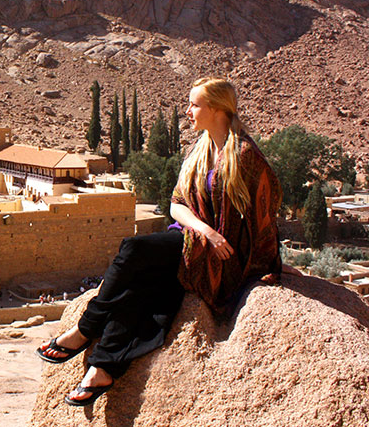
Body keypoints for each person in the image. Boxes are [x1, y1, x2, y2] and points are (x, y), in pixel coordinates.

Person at [36, 77, 299, 407]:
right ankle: (103, 367)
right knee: (144, 289)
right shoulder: (199, 150)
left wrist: (264, 268)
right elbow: (177, 203)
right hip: (194, 238)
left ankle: (85, 329)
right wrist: (206, 230)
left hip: (218, 256)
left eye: (194, 105)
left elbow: (264, 219)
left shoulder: (245, 156)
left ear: (217, 109)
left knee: (133, 250)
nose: (188, 111)